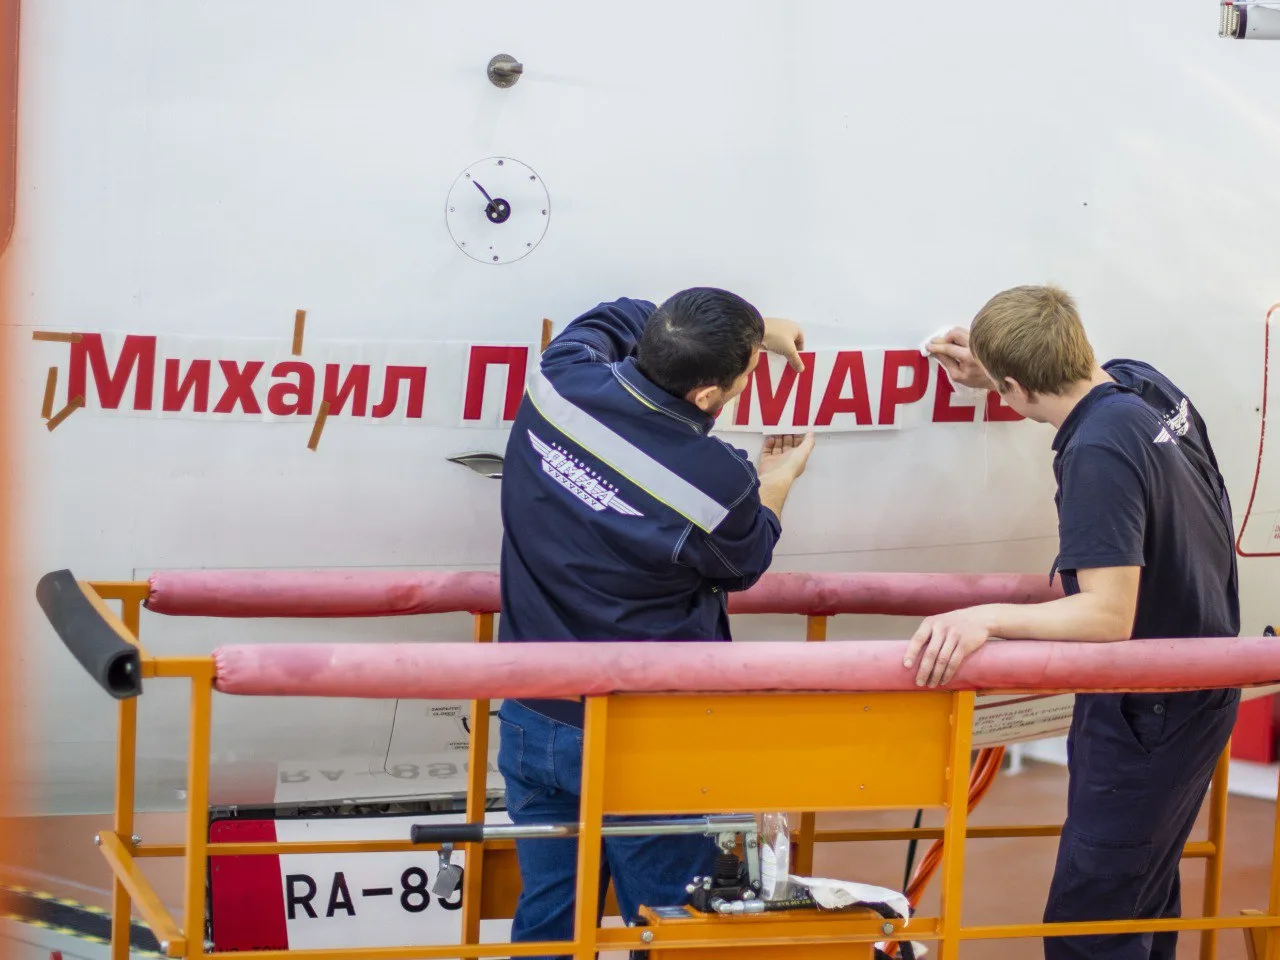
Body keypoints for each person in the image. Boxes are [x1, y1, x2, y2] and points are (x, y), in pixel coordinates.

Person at [904, 284, 1240, 960]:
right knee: (1141, 898)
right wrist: (999, 369)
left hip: (1149, 708)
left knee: (1093, 921)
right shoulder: (1143, 385)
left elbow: (1107, 614)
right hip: (1199, 686)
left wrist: (985, 618)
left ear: (1013, 388)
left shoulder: (1095, 453)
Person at [495, 288, 817, 957]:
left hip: (533, 711)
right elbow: (745, 561)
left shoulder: (560, 379)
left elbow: (622, 311)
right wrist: (778, 479)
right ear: (708, 396)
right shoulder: (717, 482)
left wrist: (751, 331)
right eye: (746, 373)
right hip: (642, 733)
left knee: (550, 918)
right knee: (666, 921)